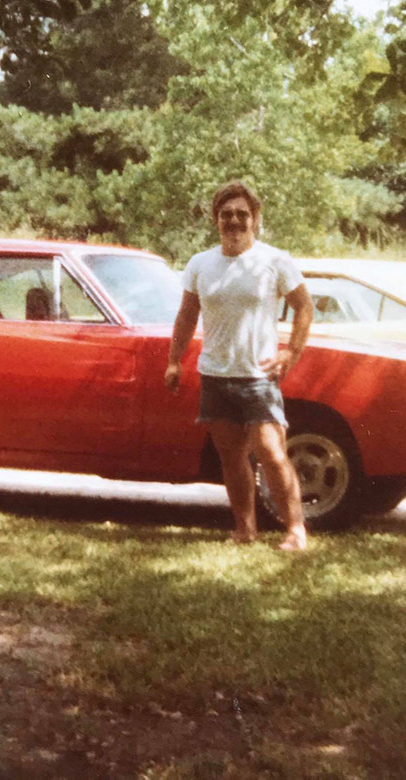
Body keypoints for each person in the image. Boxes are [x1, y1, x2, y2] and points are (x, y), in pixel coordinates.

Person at [164, 180, 314, 551]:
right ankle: (245, 528)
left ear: (255, 218)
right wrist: (174, 361)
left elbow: (304, 307)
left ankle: (295, 529)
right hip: (215, 373)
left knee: (272, 453)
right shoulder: (201, 263)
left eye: (241, 214)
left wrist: (291, 352)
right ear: (216, 220)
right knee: (231, 457)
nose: (234, 221)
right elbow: (186, 315)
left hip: (258, 375)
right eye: (226, 214)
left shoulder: (275, 260)